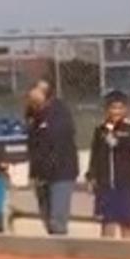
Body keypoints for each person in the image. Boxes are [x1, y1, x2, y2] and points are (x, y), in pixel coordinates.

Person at [86, 91, 130, 239]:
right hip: (106, 185)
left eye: (119, 108)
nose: (116, 112)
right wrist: (91, 176)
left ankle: (129, 254)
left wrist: (118, 140)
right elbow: (95, 155)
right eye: (113, 108)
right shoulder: (100, 130)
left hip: (126, 184)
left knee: (127, 222)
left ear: (125, 110)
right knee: (107, 222)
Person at [26, 82, 77, 236]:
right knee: (47, 219)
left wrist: (47, 168)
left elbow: (57, 142)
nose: (31, 93)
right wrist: (34, 173)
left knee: (57, 221)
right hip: (41, 174)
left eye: (36, 90)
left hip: (60, 173)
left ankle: (61, 253)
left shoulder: (59, 112)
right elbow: (33, 146)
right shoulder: (34, 114)